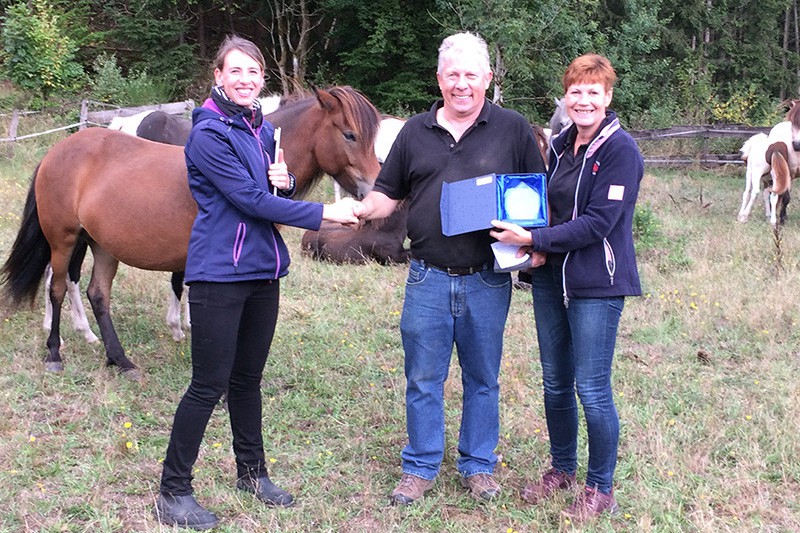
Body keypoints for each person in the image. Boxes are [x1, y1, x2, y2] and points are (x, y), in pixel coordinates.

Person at [154, 35, 359, 530]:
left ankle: (252, 473)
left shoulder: (262, 130)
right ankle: (173, 490)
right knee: (208, 385)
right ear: (219, 77)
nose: (245, 79)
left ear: (262, 79)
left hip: (263, 271)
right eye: (236, 71)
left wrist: (283, 184)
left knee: (247, 380)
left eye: (253, 72)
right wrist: (324, 213)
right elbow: (247, 200)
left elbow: (268, 194)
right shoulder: (208, 133)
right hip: (219, 274)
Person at [353, 31, 546, 505]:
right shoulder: (414, 132)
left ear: (488, 78)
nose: (462, 84)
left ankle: (478, 465)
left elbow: (534, 195)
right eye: (453, 75)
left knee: (483, 379)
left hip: (487, 277)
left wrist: (536, 244)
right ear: (439, 79)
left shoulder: (513, 129)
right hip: (427, 276)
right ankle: (420, 466)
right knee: (423, 378)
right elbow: (387, 194)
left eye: (471, 75)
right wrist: (358, 209)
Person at [490, 53, 644, 521]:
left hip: (597, 283)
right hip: (549, 278)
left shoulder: (621, 151)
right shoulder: (559, 145)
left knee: (591, 388)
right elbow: (548, 208)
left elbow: (598, 223)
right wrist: (533, 243)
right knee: (555, 381)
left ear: (608, 97)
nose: (583, 100)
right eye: (575, 91)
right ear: (566, 97)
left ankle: (600, 488)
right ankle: (561, 469)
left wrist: (534, 239)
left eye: (593, 92)